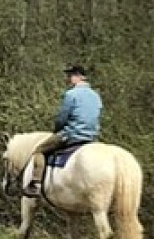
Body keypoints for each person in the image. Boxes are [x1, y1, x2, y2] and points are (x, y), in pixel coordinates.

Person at [23, 65, 102, 197]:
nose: (69, 79)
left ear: (78, 76)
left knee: (38, 151)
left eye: (70, 76)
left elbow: (62, 117)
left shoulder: (71, 94)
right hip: (91, 136)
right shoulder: (96, 96)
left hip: (72, 134)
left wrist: (57, 130)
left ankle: (36, 184)